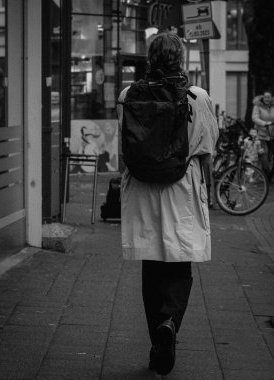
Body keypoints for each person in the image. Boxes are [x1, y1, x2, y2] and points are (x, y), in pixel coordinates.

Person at [117, 32, 219, 376]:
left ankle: (157, 340)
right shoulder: (196, 97)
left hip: (143, 189)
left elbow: (124, 149)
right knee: (180, 262)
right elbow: (207, 148)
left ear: (150, 58)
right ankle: (170, 323)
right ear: (180, 59)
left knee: (152, 264)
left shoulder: (128, 95)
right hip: (181, 188)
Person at [252, 90, 274, 181]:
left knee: (270, 156)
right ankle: (267, 175)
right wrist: (264, 123)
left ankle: (268, 175)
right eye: (265, 97)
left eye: (268, 97)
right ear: (263, 97)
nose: (267, 99)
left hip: (272, 135)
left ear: (271, 98)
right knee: (263, 155)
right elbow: (255, 117)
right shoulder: (258, 106)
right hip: (261, 135)